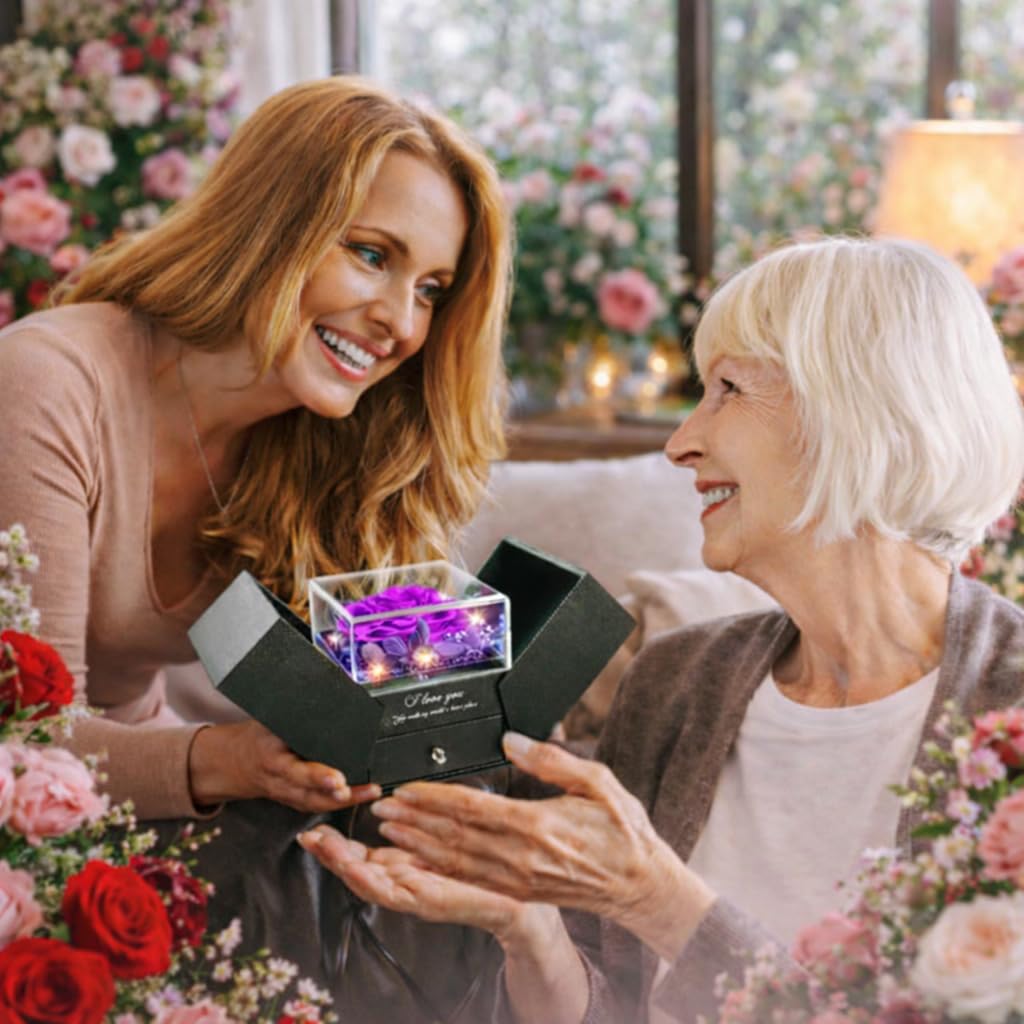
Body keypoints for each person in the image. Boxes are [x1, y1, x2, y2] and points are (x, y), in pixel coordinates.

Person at [298, 236, 1024, 1023]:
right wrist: (528, 927)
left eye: (728, 389)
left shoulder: (1008, 708)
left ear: (861, 409)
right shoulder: (678, 680)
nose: (681, 443)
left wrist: (659, 900)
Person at [0, 76, 511, 822]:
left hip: (137, 802)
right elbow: (23, 744)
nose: (402, 324)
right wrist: (229, 761)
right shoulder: (44, 385)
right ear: (268, 224)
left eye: (431, 290)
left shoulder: (315, 440)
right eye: (371, 254)